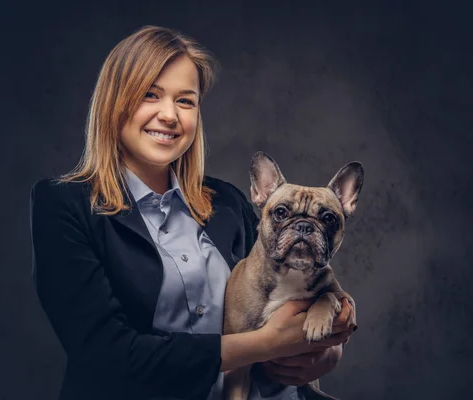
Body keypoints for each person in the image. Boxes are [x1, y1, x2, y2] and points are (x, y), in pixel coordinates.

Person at [29, 25, 354, 400]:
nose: (169, 115)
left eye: (185, 101)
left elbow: (287, 296)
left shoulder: (228, 202)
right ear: (113, 102)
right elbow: (106, 355)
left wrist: (325, 352)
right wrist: (266, 343)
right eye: (150, 95)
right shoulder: (64, 206)